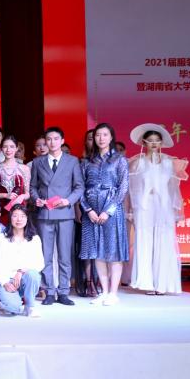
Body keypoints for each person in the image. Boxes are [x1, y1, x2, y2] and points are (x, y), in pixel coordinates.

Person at [127, 124, 186, 295]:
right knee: (145, 241)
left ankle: (163, 284)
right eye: (150, 140)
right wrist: (131, 210)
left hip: (164, 206)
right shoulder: (137, 163)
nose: (154, 143)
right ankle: (147, 283)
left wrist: (176, 210)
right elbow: (131, 189)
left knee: (164, 241)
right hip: (144, 206)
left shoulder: (169, 163)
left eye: (157, 141)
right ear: (144, 142)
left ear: (161, 143)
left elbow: (174, 189)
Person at [31, 126, 84, 306]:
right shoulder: (38, 162)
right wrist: (37, 199)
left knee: (64, 254)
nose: (52, 142)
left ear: (62, 141)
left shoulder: (72, 161)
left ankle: (63, 291)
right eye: (49, 139)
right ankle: (49, 291)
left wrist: (68, 201)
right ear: (45, 142)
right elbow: (32, 187)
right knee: (45, 255)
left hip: (65, 213)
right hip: (45, 213)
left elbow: (79, 186)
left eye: (55, 139)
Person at [79, 123, 130, 306]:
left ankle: (113, 293)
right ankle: (104, 291)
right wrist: (88, 210)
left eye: (105, 135)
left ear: (111, 137)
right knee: (97, 251)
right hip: (91, 211)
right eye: (97, 135)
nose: (101, 138)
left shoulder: (119, 160)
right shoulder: (87, 162)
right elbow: (80, 188)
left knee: (113, 250)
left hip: (112, 211)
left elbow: (123, 187)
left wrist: (108, 211)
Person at [0, 205, 45, 316]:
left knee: (33, 275)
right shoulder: (1, 238)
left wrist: (21, 271)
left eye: (22, 216)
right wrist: (4, 282)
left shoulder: (34, 239)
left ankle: (30, 306)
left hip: (24, 279)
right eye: (15, 216)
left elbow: (40, 263)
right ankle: (7, 303)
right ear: (10, 218)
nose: (19, 219)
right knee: (14, 309)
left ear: (27, 218)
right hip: (7, 280)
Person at [0, 135, 30, 215]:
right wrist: (5, 195)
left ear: (16, 148)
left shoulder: (24, 168)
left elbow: (27, 194)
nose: (8, 150)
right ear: (1, 148)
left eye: (12, 147)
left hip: (18, 209)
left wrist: (21, 197)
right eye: (5, 147)